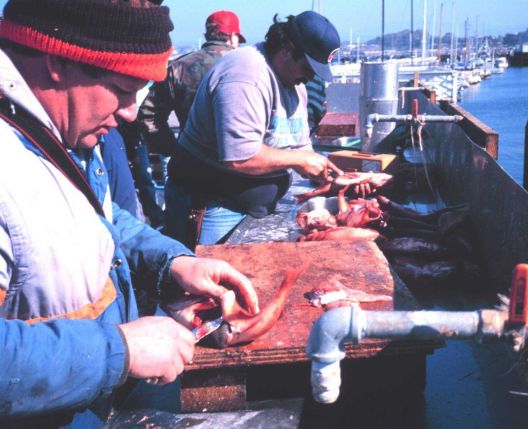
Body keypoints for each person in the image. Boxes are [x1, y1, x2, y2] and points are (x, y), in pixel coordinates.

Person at [0, 1, 259, 427]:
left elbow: (95, 218)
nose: (131, 112)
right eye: (122, 88)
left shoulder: (58, 126)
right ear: (56, 62)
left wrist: (172, 262)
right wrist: (120, 350)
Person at [165, 10, 344, 248]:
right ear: (288, 49)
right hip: (213, 206)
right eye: (308, 66)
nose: (311, 76)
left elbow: (299, 146)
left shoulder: (294, 83)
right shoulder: (246, 75)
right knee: (209, 280)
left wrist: (325, 174)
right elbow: (239, 157)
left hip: (253, 207)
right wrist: (300, 160)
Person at [138, 10, 246, 156]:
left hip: (191, 160)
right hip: (241, 162)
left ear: (207, 35)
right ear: (233, 37)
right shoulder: (246, 66)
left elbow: (148, 115)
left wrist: (172, 150)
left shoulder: (178, 67)